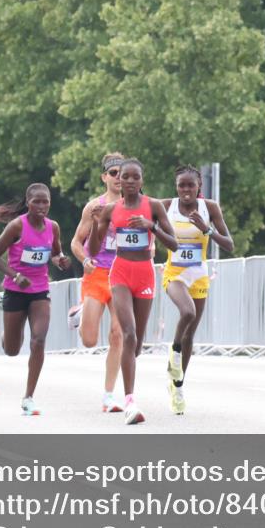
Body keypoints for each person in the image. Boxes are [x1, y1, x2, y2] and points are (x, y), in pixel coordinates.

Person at [89, 158, 177, 424]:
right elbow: (93, 251)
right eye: (124, 177)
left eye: (134, 177)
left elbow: (173, 244)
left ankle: (130, 369)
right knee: (127, 333)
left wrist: (151, 227)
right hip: (120, 273)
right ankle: (130, 401)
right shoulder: (110, 210)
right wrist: (95, 225)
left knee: (136, 342)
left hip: (145, 274)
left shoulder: (154, 206)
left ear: (141, 181)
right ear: (119, 180)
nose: (128, 181)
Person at [0, 183, 71, 415]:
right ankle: (7, 327)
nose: (42, 206)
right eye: (37, 202)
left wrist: (61, 260)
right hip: (15, 290)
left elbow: (55, 253)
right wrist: (15, 275)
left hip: (39, 290)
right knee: (12, 349)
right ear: (28, 202)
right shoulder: (17, 226)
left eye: (46, 202)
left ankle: (29, 397)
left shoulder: (53, 227)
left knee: (38, 341)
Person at [160, 164, 234, 414]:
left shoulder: (209, 208)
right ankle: (174, 352)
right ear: (176, 186)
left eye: (190, 185)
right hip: (175, 273)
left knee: (190, 334)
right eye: (181, 185)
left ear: (199, 185)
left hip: (199, 276)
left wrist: (207, 229)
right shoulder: (166, 206)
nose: (186, 190)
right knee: (187, 312)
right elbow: (136, 205)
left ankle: (177, 386)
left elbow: (229, 245)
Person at [68, 153, 125, 413]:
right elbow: (76, 242)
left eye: (122, 173)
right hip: (97, 274)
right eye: (113, 173)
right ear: (104, 177)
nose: (118, 178)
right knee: (90, 340)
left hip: (122, 275)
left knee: (117, 333)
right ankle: (80, 312)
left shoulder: (135, 205)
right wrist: (84, 259)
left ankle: (109, 395)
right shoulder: (94, 206)